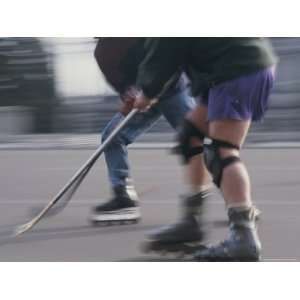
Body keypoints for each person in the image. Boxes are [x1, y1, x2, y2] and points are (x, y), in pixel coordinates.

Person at [134, 38, 277, 261]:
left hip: (236, 68)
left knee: (221, 151)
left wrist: (148, 91)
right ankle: (192, 221)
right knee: (191, 135)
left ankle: (243, 236)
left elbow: (165, 46)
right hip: (233, 65)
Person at [90, 38, 197, 225]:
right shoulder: (102, 54)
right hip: (143, 101)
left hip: (172, 90)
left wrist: (150, 89)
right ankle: (123, 197)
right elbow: (122, 84)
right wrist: (128, 95)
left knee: (198, 140)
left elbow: (171, 56)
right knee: (112, 136)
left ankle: (236, 201)